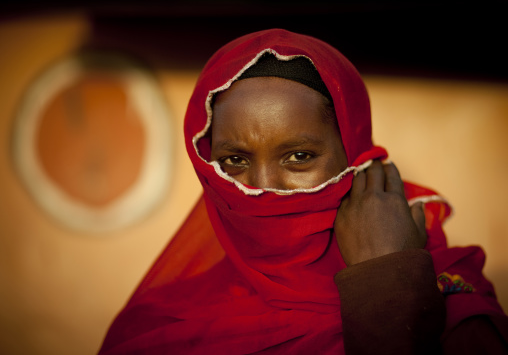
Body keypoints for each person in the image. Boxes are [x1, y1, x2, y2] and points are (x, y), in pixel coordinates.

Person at [98, 29, 508, 354]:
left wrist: (389, 281)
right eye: (235, 161)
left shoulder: (447, 295)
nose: (262, 188)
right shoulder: (159, 326)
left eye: (298, 156)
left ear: (354, 155)